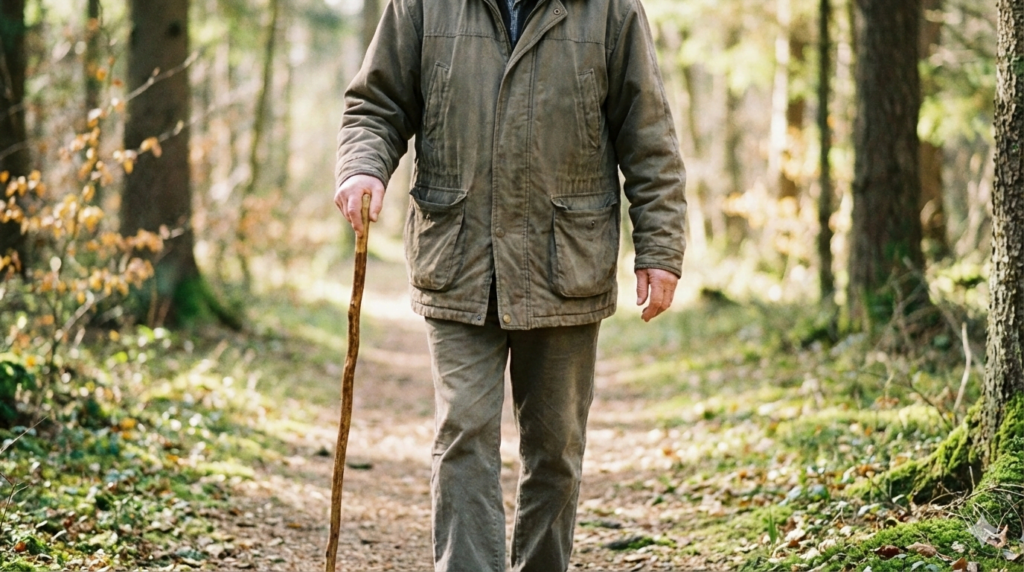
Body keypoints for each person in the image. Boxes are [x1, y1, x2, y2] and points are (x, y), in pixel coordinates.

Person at [334, 0, 686, 569]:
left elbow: (648, 136)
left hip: (563, 264)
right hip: (458, 258)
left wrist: (661, 248)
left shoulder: (611, 10)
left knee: (556, 453)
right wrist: (362, 166)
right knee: (463, 437)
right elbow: (377, 103)